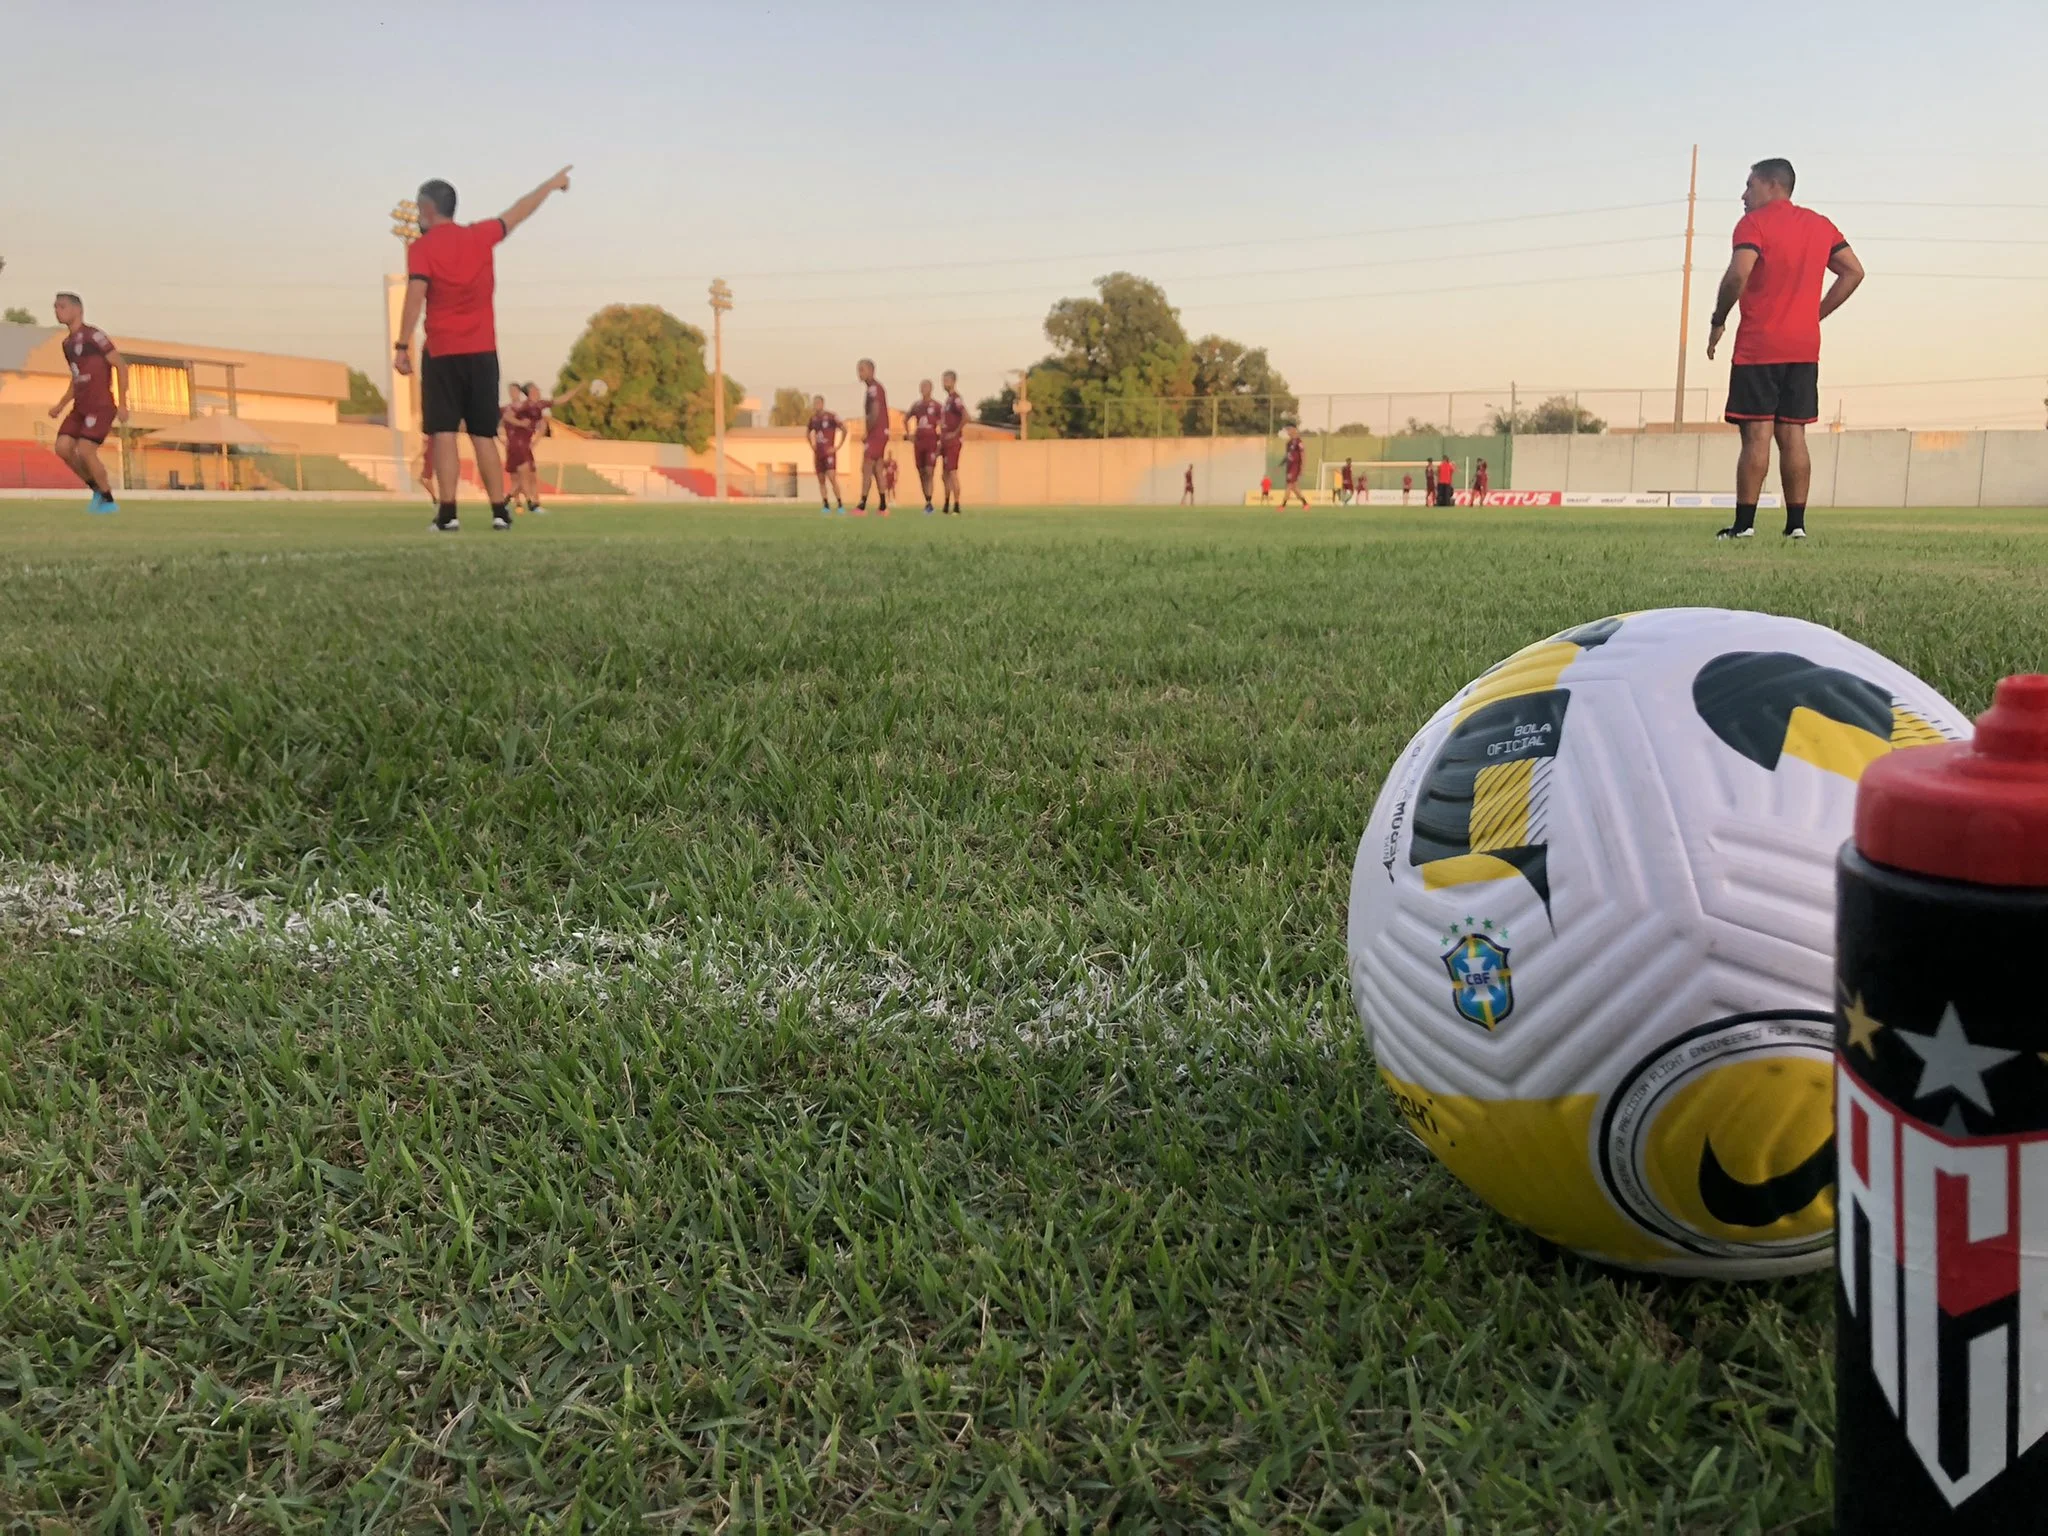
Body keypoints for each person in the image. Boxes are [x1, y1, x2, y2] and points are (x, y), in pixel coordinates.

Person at [394, 165, 573, 532]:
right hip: (482, 353)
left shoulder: (421, 249)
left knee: (442, 433)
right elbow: (520, 211)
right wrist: (551, 185)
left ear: (427, 209)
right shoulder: (480, 236)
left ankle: (448, 514)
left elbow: (415, 296)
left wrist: (402, 345)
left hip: (443, 353)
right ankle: (498, 512)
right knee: (484, 435)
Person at [1707, 157, 1863, 541]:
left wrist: (1718, 319)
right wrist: (1815, 315)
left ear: (1772, 185)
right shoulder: (1819, 224)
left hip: (1760, 346)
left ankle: (1744, 525)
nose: (1744, 195)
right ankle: (1796, 526)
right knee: (1793, 436)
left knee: (1756, 436)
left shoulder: (1753, 224)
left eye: (1749, 185)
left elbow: (1738, 273)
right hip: (1804, 349)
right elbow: (1854, 271)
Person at [46, 293, 130, 514]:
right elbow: (77, 379)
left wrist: (123, 403)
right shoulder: (67, 344)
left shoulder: (95, 336)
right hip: (80, 407)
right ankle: (96, 489)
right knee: (63, 448)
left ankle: (109, 501)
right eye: (55, 307)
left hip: (100, 405)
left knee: (85, 450)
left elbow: (121, 366)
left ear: (77, 310)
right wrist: (60, 405)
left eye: (62, 306)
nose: (57, 310)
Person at [507, 379, 590, 515]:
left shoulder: (540, 405)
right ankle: (527, 505)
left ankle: (532, 504)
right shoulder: (524, 406)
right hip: (518, 444)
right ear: (531, 392)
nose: (539, 390)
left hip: (525, 445)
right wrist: (520, 424)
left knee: (532, 476)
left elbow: (560, 400)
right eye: (536, 389)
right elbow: (508, 416)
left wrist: (577, 389)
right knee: (524, 477)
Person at [854, 358, 890, 516]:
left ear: (871, 370)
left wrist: (868, 433)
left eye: (862, 369)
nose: (859, 373)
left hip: (876, 433)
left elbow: (874, 412)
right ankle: (883, 507)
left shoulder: (874, 389)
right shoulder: (873, 388)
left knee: (866, 467)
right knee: (877, 469)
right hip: (881, 433)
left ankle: (862, 506)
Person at [905, 378, 944, 514]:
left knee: (929, 471)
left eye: (926, 387)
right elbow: (906, 418)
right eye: (922, 387)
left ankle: (929, 501)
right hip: (919, 441)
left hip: (931, 441)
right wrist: (909, 434)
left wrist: (940, 440)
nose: (923, 389)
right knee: (921, 472)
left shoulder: (937, 406)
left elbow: (943, 423)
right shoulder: (917, 405)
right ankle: (927, 500)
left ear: (931, 389)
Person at [807, 394, 847, 514]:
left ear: (822, 404)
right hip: (818, 454)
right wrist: (812, 445)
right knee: (821, 480)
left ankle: (840, 504)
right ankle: (826, 505)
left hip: (829, 453)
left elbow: (845, 429)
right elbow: (807, 432)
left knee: (832, 477)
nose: (816, 406)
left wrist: (837, 447)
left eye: (818, 403)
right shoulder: (813, 419)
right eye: (814, 403)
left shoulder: (831, 417)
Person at [939, 370, 968, 515]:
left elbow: (966, 416)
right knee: (944, 474)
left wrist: (955, 433)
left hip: (953, 442)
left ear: (953, 381)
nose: (943, 383)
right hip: (944, 441)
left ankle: (956, 505)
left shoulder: (956, 399)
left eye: (946, 380)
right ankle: (946, 504)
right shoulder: (947, 401)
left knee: (952, 472)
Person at [1278, 427, 1309, 510]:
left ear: (1294, 431)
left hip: (1295, 467)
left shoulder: (1299, 442)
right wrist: (1280, 465)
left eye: (1290, 430)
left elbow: (1303, 454)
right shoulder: (1288, 443)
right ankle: (1305, 504)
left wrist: (1302, 467)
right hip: (1289, 467)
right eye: (1288, 430)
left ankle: (1283, 505)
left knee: (1289, 485)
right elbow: (1287, 455)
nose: (1288, 431)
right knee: (1294, 487)